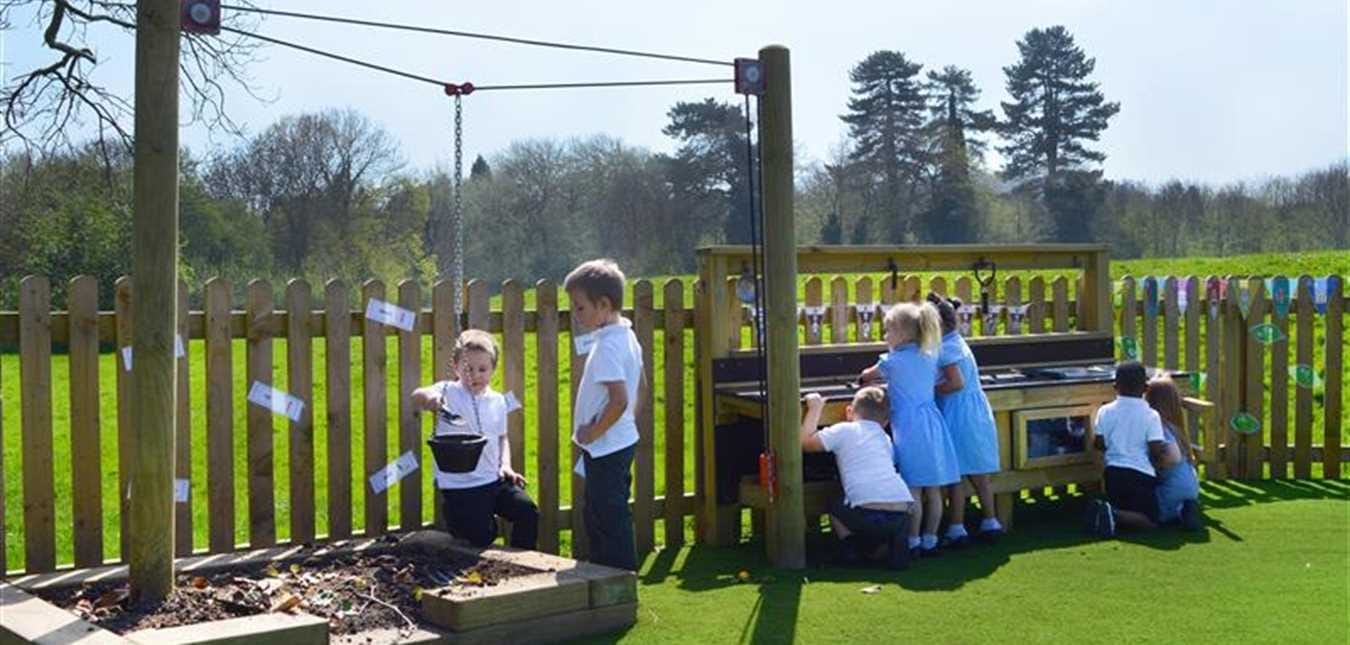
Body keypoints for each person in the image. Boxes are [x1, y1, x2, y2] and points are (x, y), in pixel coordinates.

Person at [411, 329, 539, 549]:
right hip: (460, 486)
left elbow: (502, 438)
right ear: (456, 367)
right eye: (468, 369)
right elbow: (418, 395)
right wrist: (431, 400)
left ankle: (525, 561)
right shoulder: (448, 391)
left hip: (492, 480)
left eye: (482, 369)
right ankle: (459, 519)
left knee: (527, 512)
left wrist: (506, 466)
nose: (475, 376)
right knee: (482, 536)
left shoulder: (497, 400)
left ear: (493, 370)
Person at [861, 301, 960, 558]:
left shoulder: (891, 361)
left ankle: (913, 540)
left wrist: (864, 379)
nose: (885, 336)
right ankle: (931, 539)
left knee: (913, 488)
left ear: (902, 334)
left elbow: (867, 375)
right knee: (934, 490)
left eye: (888, 331)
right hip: (932, 422)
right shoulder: (930, 355)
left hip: (909, 427)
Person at [566, 259, 644, 571]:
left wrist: (594, 433)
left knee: (608, 514)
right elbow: (642, 387)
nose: (576, 313)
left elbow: (620, 400)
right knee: (598, 510)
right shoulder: (625, 335)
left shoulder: (610, 346)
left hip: (607, 445)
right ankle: (602, 572)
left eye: (580, 307)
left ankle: (619, 579)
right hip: (615, 442)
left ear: (603, 304)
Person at [800, 389, 914, 569]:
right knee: (890, 543)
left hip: (865, 514)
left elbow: (806, 443)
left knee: (835, 505)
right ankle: (893, 553)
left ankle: (850, 549)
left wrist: (815, 408)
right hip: (903, 512)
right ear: (885, 422)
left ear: (849, 412)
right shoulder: (884, 438)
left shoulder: (844, 429)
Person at [927, 293, 1003, 546]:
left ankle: (957, 527)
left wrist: (933, 389)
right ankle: (990, 520)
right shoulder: (958, 342)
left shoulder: (946, 348)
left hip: (957, 412)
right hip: (975, 411)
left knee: (956, 473)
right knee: (979, 472)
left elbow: (955, 383)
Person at [1086, 361, 1167, 537]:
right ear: (1146, 388)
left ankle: (1111, 513)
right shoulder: (1151, 415)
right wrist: (1160, 467)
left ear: (1115, 386)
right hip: (1140, 473)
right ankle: (1113, 514)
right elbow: (1156, 449)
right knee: (1151, 520)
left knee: (1126, 505)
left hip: (1113, 473)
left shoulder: (1105, 411)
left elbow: (1099, 443)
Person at [1144, 376, 1204, 531]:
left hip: (1172, 487)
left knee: (1150, 514)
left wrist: (1156, 466)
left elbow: (1173, 457)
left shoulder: (1159, 427)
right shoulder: (1176, 428)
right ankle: (1185, 507)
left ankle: (1179, 512)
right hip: (1190, 485)